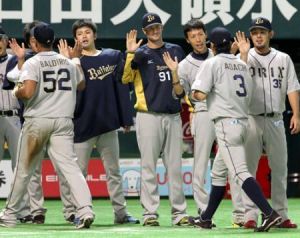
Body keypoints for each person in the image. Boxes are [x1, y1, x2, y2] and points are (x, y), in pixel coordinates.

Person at [186, 26, 281, 232]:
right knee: (219, 173)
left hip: (226, 124)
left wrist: (199, 91)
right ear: (230, 44)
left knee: (240, 173)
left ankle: (269, 213)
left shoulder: (211, 63)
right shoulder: (241, 63)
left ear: (212, 45)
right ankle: (206, 218)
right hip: (244, 122)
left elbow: (198, 94)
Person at [0, 23, 94, 229]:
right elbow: (81, 84)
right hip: (63, 121)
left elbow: (28, 92)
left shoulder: (33, 63)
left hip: (38, 121)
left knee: (23, 170)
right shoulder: (67, 63)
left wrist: (17, 90)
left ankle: (8, 215)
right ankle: (85, 210)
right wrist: (74, 58)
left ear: (34, 42)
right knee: (70, 168)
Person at [57, 19, 139, 224]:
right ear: (75, 39)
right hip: (81, 126)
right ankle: (73, 213)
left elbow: (122, 87)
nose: (83, 36)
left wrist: (125, 118)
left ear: (95, 35)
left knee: (113, 172)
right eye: (79, 34)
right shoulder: (70, 61)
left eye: (87, 32)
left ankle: (120, 214)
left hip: (107, 126)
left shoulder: (112, 56)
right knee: (76, 175)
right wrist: (67, 61)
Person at [122, 13, 189, 226]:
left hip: (173, 115)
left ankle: (179, 213)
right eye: (150, 28)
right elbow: (125, 79)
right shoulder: (140, 54)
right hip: (148, 115)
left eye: (157, 26)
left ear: (161, 27)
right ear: (144, 32)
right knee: (149, 166)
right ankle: (150, 213)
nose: (154, 30)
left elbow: (183, 83)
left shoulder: (176, 49)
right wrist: (131, 54)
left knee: (175, 167)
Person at [176, 18, 245, 227]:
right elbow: (180, 94)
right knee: (201, 163)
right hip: (203, 112)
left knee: (233, 163)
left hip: (225, 112)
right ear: (188, 40)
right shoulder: (184, 65)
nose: (197, 39)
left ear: (206, 36)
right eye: (193, 36)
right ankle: (204, 212)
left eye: (200, 34)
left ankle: (240, 214)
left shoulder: (220, 56)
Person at [240, 17, 300, 229]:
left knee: (279, 169)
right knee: (248, 169)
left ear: (270, 34)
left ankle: (281, 214)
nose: (258, 35)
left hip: (275, 118)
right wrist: (244, 56)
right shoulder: (243, 57)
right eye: (255, 32)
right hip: (251, 118)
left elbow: (292, 86)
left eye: (262, 32)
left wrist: (296, 114)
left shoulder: (283, 58)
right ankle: (250, 215)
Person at [2, 22, 47, 224]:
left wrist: (19, 59)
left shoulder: (17, 60)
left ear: (6, 42)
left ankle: (28, 210)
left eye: (1, 40)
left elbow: (15, 80)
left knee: (23, 165)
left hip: (14, 117)